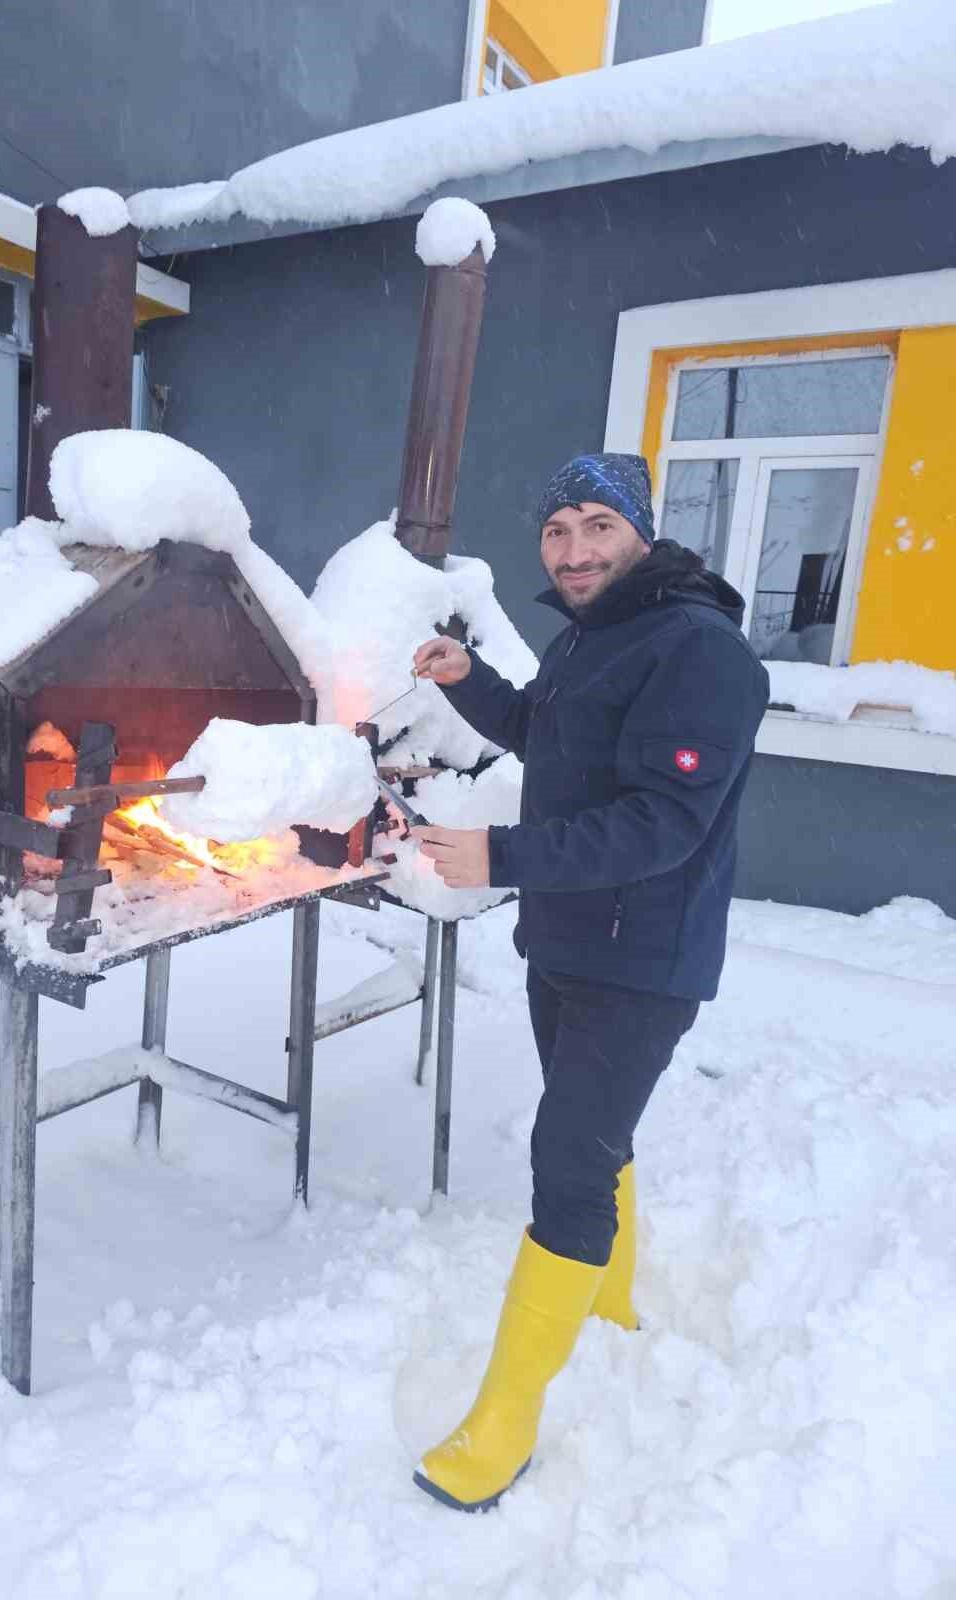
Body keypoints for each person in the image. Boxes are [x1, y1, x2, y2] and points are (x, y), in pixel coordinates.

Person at [409, 451, 769, 1513]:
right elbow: (547, 733)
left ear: (639, 536)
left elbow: (665, 820)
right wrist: (466, 679)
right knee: (592, 1129)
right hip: (569, 941)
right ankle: (606, 1301)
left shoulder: (701, 651)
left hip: (641, 959)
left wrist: (502, 856)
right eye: (558, 529)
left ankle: (503, 1422)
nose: (573, 550)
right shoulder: (599, 633)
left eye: (596, 528)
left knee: (567, 1159)